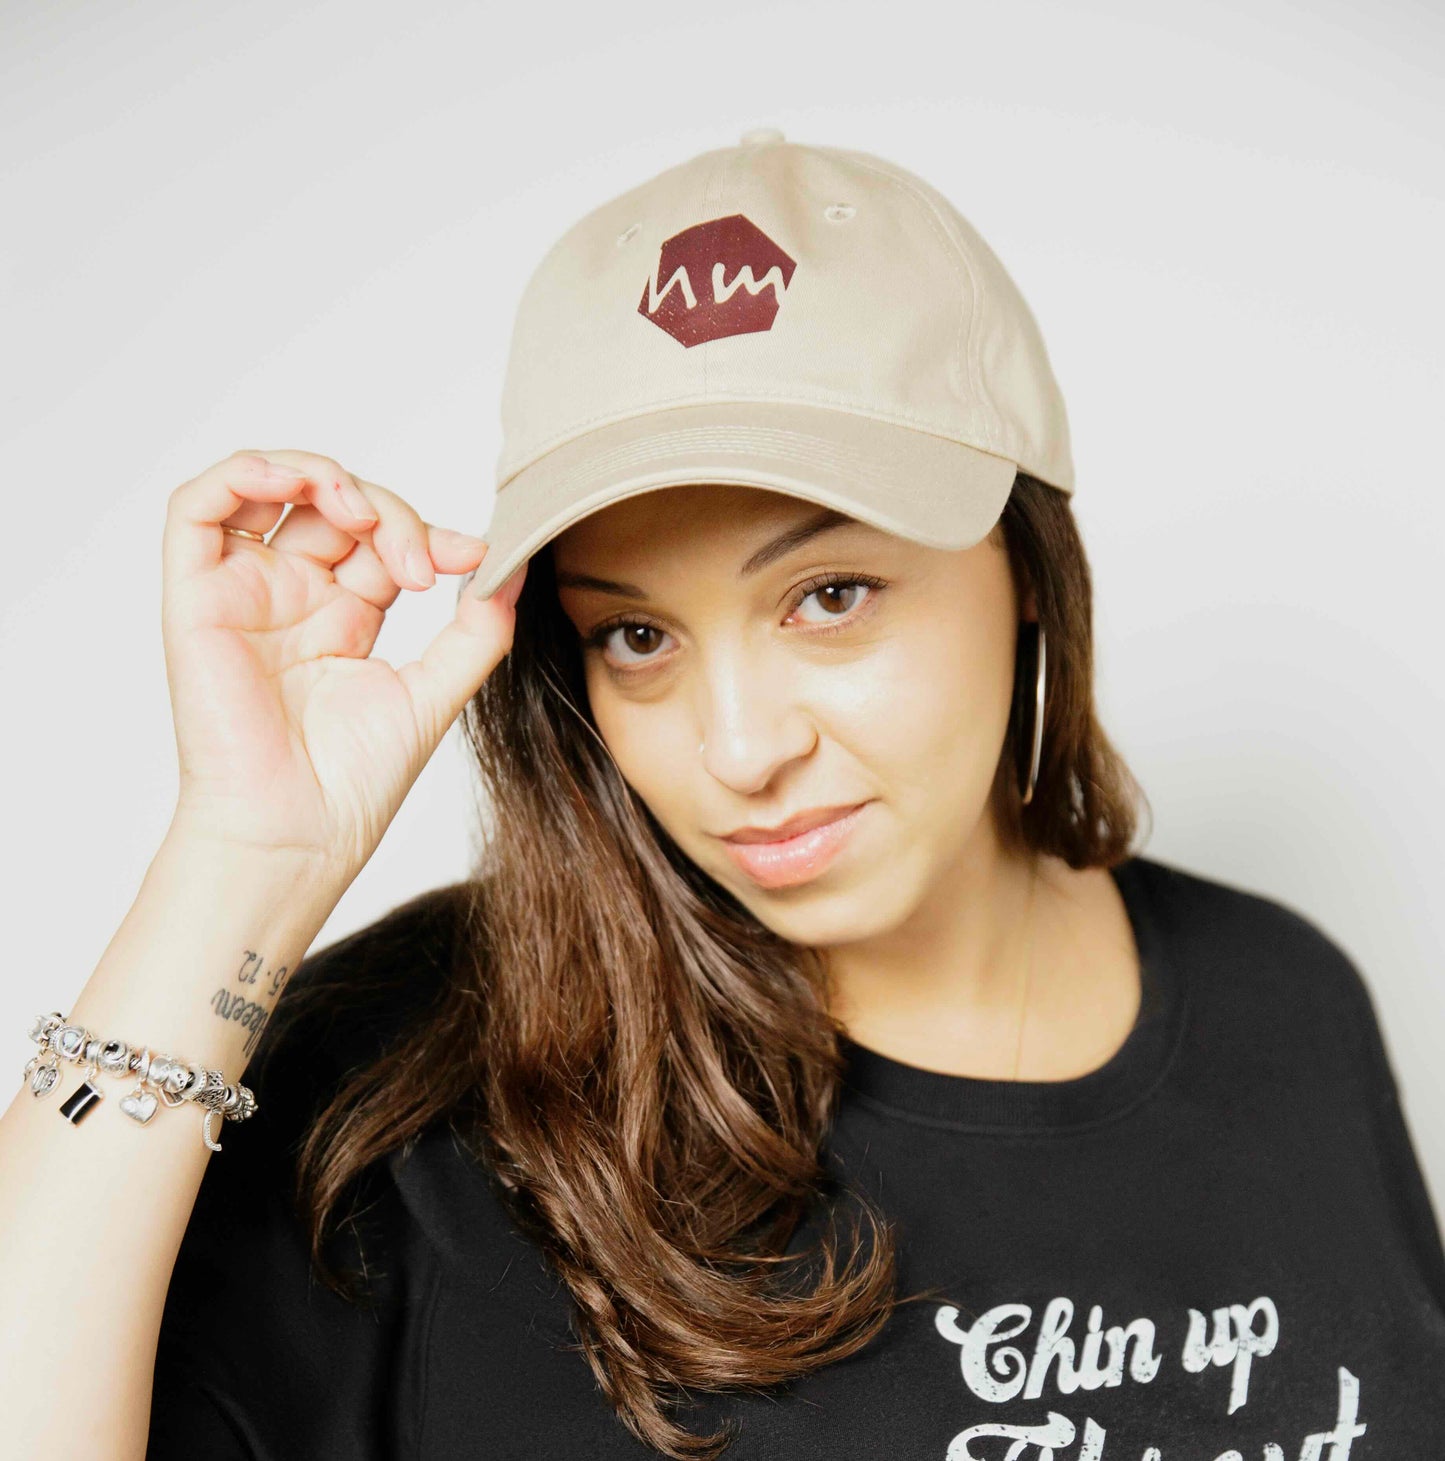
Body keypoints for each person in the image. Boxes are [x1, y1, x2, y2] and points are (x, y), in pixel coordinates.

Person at [3, 129, 1442, 1461]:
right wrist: (240, 860)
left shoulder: (1285, 998)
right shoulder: (407, 1096)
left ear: (1024, 566)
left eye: (829, 594)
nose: (739, 746)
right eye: (636, 634)